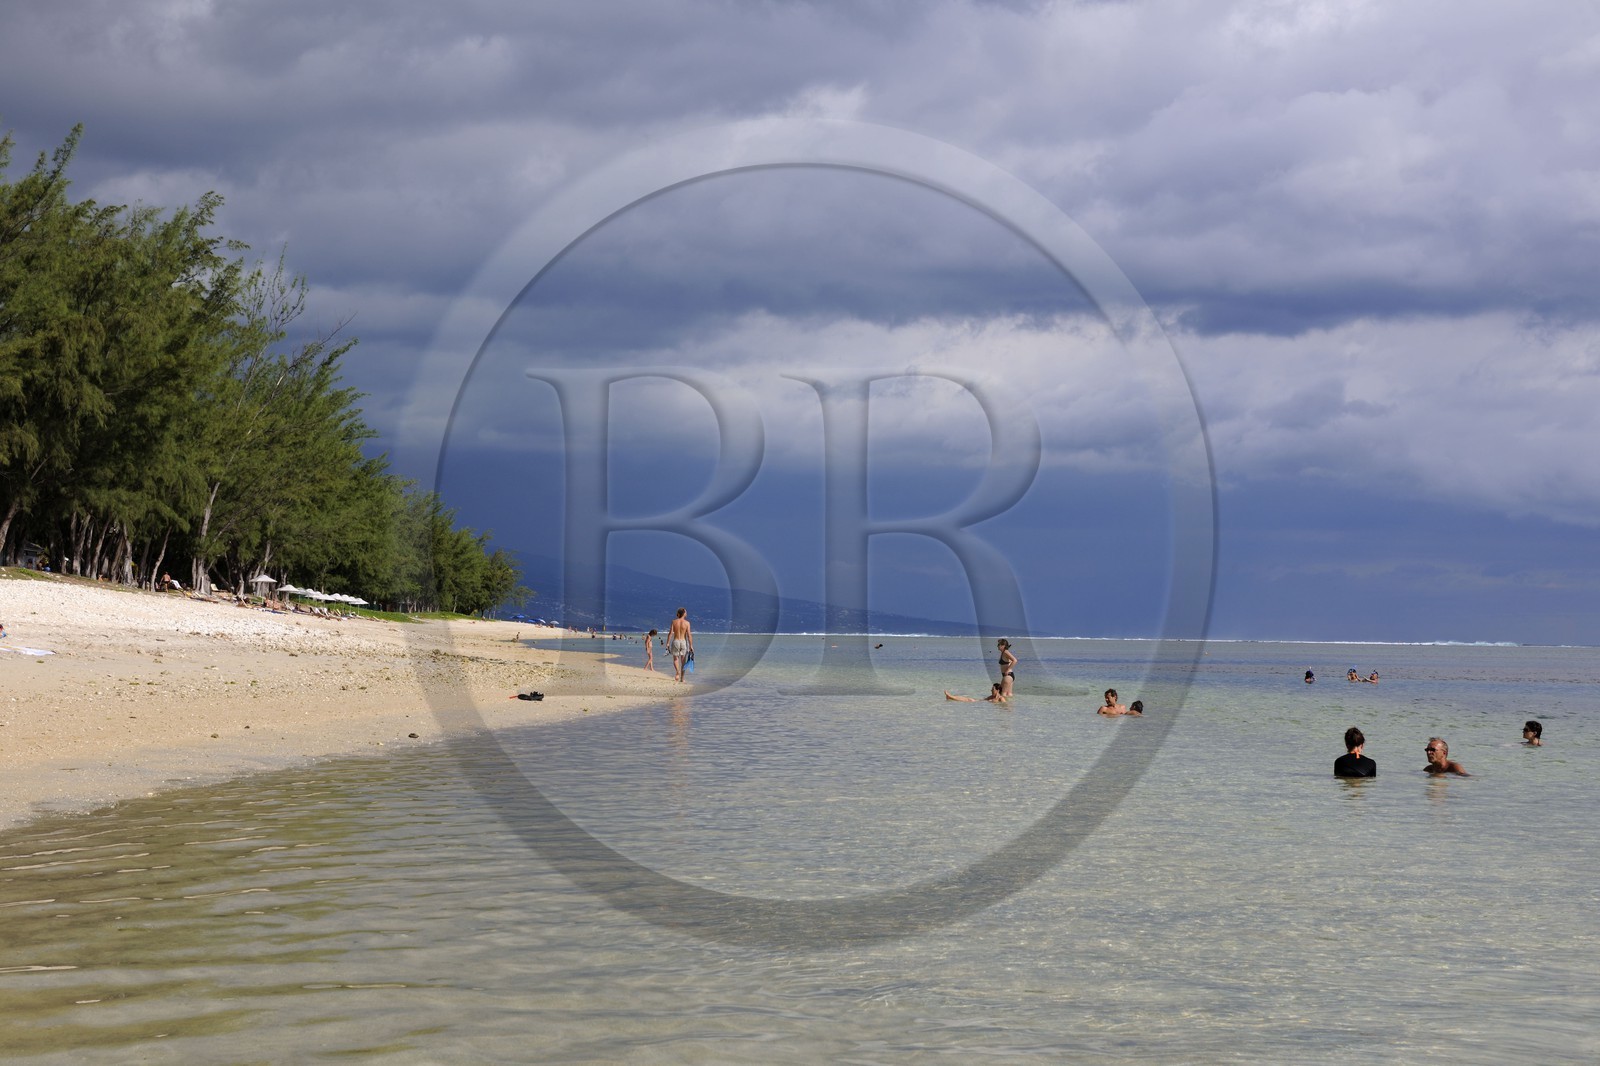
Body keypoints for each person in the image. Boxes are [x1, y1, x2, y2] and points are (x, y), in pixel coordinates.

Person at [668, 608, 693, 683]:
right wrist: (691, 645)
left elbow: (670, 633)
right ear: (684, 613)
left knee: (675, 659)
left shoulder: (674, 622)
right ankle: (682, 678)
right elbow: (689, 635)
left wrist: (667, 643)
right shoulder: (687, 623)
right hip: (683, 642)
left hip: (676, 641)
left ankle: (677, 672)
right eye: (686, 612)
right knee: (683, 661)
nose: (686, 613)